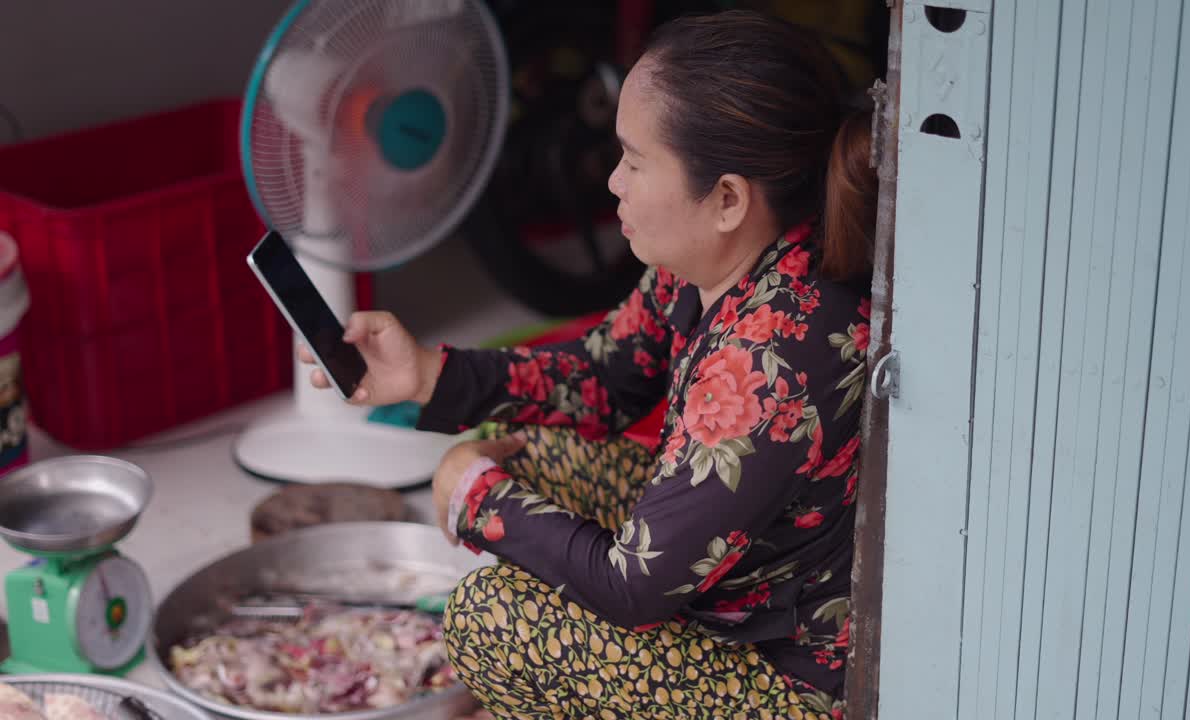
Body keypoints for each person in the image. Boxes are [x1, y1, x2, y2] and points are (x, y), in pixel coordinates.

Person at [301, 10, 876, 719]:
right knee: (534, 456)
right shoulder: (730, 252)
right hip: (736, 595)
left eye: (635, 162)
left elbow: (632, 590)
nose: (612, 182)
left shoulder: (776, 354)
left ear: (727, 198)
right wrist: (425, 374)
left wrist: (470, 495)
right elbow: (608, 376)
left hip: (781, 679)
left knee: (491, 620)